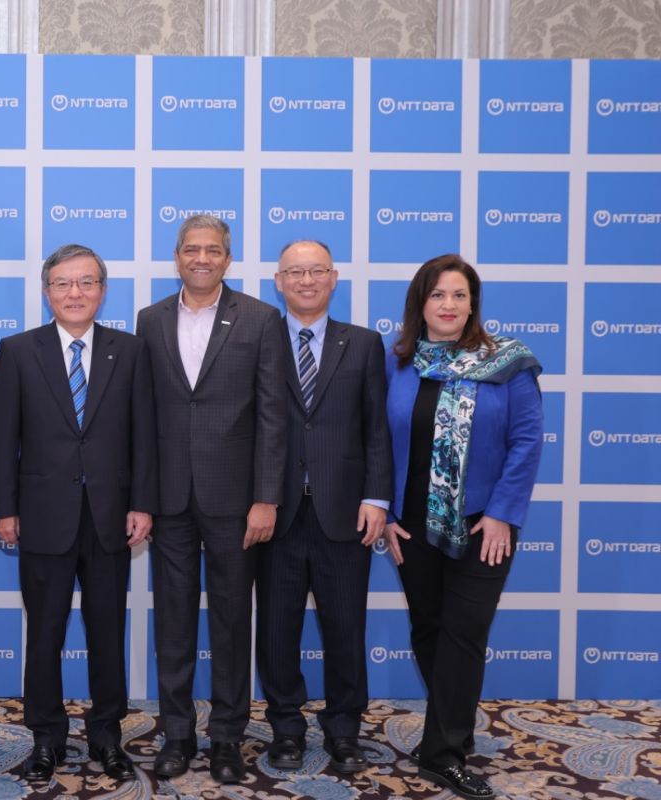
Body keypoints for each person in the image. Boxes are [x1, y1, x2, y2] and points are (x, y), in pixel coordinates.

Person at [0, 243, 157, 784]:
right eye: (63, 283)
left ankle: (107, 734)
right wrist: (3, 508)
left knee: (107, 633)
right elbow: (1, 438)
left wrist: (142, 503)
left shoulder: (130, 351)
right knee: (44, 634)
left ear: (102, 291)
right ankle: (46, 736)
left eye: (86, 282)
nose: (75, 293)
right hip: (41, 516)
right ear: (47, 292)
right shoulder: (18, 350)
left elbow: (145, 435)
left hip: (111, 517)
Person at [382, 254, 542, 800]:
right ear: (420, 303)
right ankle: (453, 728)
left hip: (482, 526)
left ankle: (442, 754)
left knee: (464, 632)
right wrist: (386, 514)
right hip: (411, 524)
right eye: (437, 295)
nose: (448, 305)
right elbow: (377, 441)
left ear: (473, 303)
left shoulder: (507, 362)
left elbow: (527, 442)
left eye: (459, 295)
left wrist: (502, 514)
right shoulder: (399, 363)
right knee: (428, 629)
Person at [135, 214, 287, 783]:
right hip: (170, 498)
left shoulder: (260, 318)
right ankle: (177, 734)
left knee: (230, 622)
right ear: (177, 257)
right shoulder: (150, 319)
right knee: (173, 624)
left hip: (236, 502)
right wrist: (142, 495)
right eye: (192, 250)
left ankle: (226, 738)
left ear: (228, 258)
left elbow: (272, 414)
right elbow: (143, 415)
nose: (202, 259)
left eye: (213, 250)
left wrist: (266, 497)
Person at [256, 240, 393, 774]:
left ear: (334, 278)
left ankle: (343, 730)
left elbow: (376, 428)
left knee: (345, 628)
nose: (306, 280)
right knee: (276, 630)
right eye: (295, 272)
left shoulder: (363, 343)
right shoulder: (258, 339)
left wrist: (376, 498)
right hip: (277, 512)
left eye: (317, 271)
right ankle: (286, 729)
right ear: (279, 281)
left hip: (345, 512)